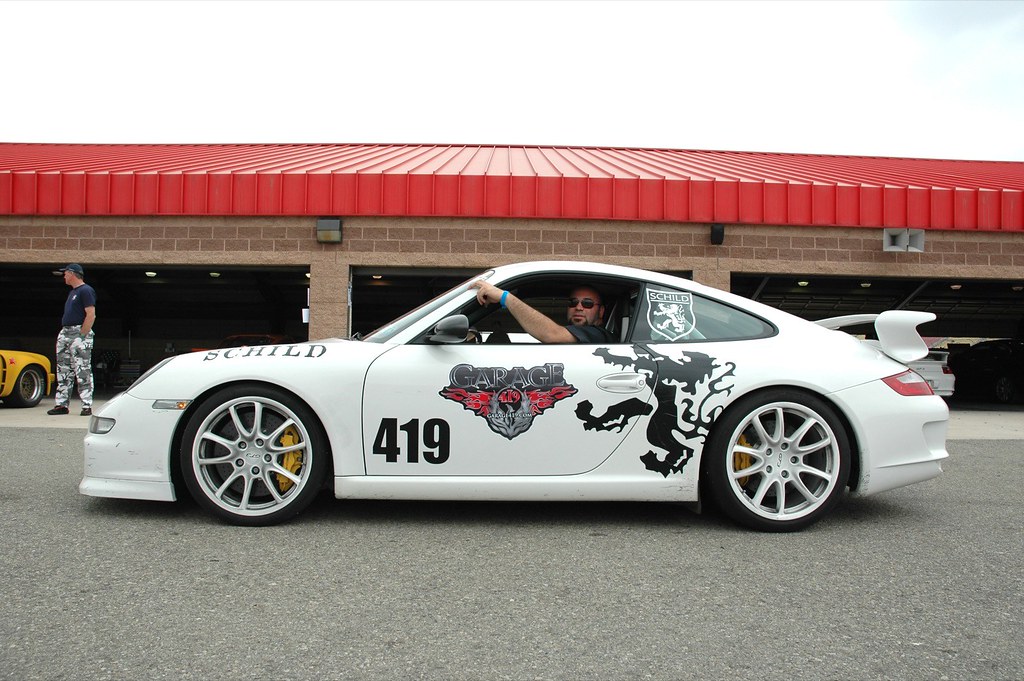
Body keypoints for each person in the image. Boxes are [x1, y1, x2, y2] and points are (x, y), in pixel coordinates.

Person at [470, 279, 614, 343]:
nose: (578, 307)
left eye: (587, 303)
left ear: (601, 312)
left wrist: (504, 297)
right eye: (573, 302)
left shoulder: (598, 336)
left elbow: (551, 334)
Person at [48, 263, 97, 416]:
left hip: (78, 332)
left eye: (65, 273)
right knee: (63, 369)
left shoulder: (86, 290)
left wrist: (82, 335)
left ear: (72, 273)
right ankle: (61, 404)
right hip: (66, 332)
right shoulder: (73, 292)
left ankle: (86, 404)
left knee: (82, 369)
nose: (64, 276)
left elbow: (91, 314)